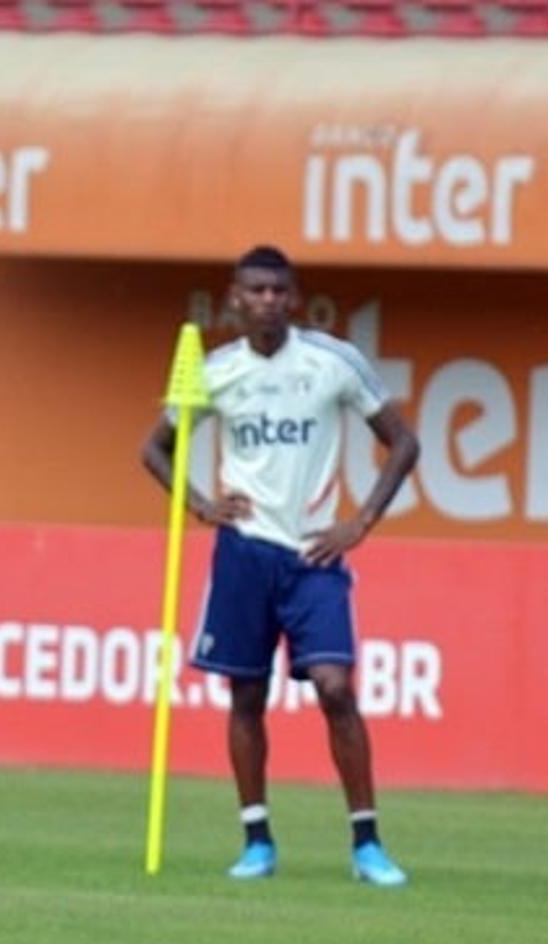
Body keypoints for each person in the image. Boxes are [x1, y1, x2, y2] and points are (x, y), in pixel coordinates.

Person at [140, 245, 421, 887]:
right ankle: (257, 839)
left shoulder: (332, 362)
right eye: (255, 291)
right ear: (234, 299)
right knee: (246, 694)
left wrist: (362, 522)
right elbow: (153, 449)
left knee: (334, 688)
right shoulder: (216, 371)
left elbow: (403, 442)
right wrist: (203, 505)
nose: (266, 300)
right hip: (244, 552)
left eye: (277, 291)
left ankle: (367, 843)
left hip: (314, 553)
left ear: (293, 298)